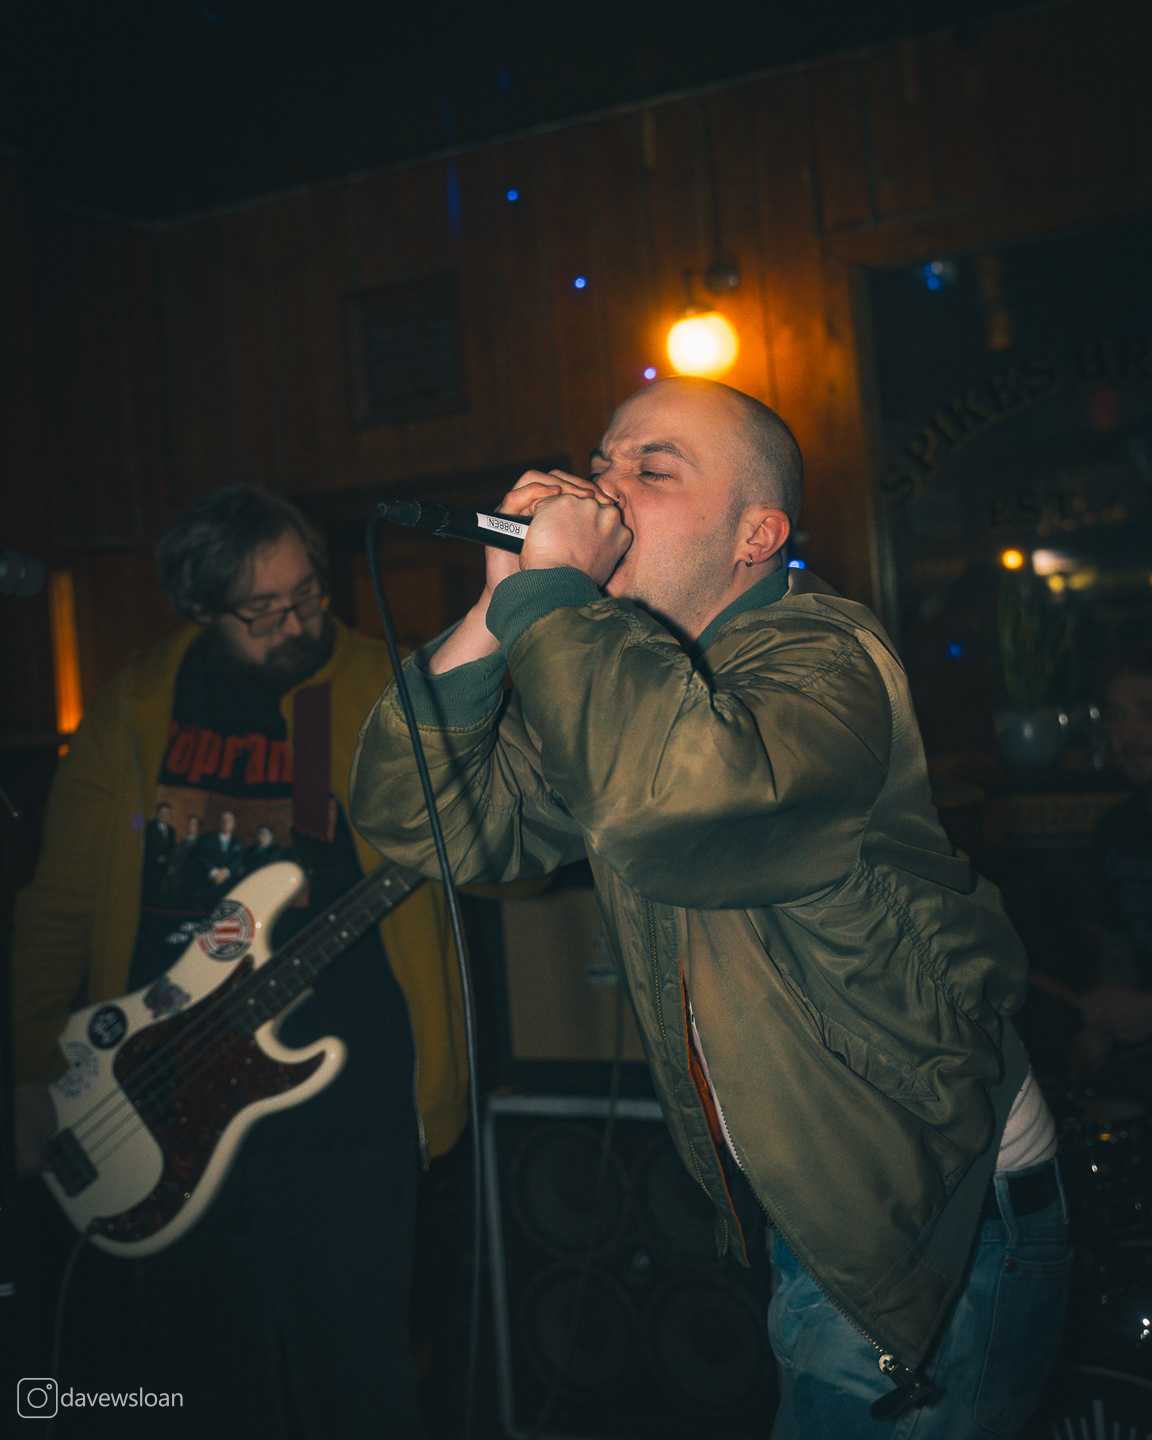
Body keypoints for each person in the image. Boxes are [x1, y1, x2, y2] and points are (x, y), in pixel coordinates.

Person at [349, 377, 1069, 1437]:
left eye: (653, 470)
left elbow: (670, 796)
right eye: (602, 463)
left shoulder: (824, 659)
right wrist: (502, 604)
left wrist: (555, 598)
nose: (602, 492)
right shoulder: (623, 682)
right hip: (826, 1205)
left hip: (937, 1212)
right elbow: (423, 815)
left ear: (756, 535)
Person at [12, 486, 467, 1439]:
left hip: (348, 1116)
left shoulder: (390, 684)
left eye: (307, 593)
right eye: (262, 611)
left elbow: (500, 866)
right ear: (199, 607)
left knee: (362, 1391)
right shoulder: (134, 704)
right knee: (211, 1393)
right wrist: (27, 1070)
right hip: (156, 1106)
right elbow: (57, 906)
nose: (298, 624)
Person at [1075, 644, 1152, 1063]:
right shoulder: (1115, 831)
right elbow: (1118, 952)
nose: (1129, 732)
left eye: (1148, 711)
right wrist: (1101, 1028)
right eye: (1116, 714)